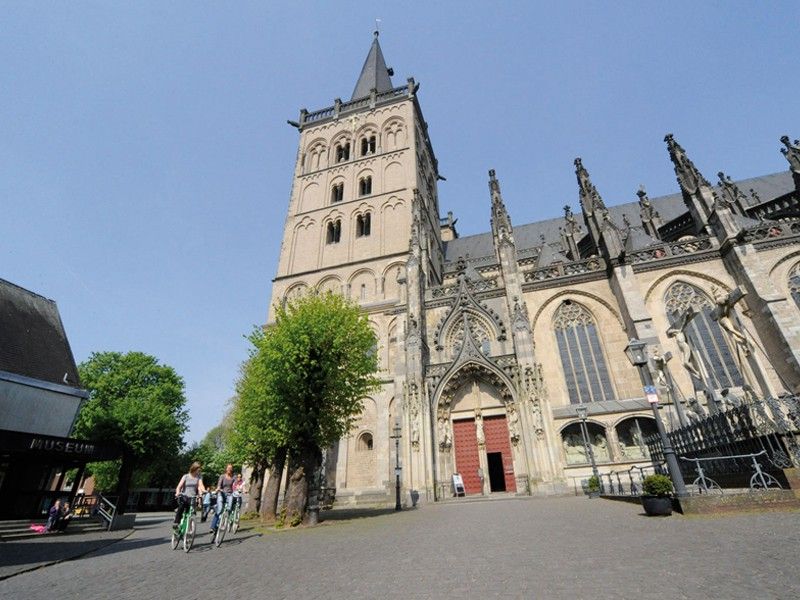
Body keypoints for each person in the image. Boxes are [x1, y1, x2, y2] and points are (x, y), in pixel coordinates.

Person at [174, 462, 206, 533]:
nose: (199, 470)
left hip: (193, 497)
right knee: (181, 507)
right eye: (198, 469)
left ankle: (190, 528)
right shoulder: (186, 476)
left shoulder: (199, 477)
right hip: (184, 496)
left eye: (200, 469)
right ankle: (177, 522)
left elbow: (201, 485)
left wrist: (204, 490)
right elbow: (179, 486)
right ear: (194, 468)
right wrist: (177, 492)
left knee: (192, 512)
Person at [210, 464, 235, 535]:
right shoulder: (222, 476)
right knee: (220, 509)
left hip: (229, 494)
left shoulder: (233, 477)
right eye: (228, 468)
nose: (230, 469)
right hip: (221, 493)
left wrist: (239, 489)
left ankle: (227, 521)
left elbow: (236, 485)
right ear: (226, 469)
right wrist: (218, 488)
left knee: (229, 508)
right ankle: (213, 526)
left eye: (231, 468)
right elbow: (219, 484)